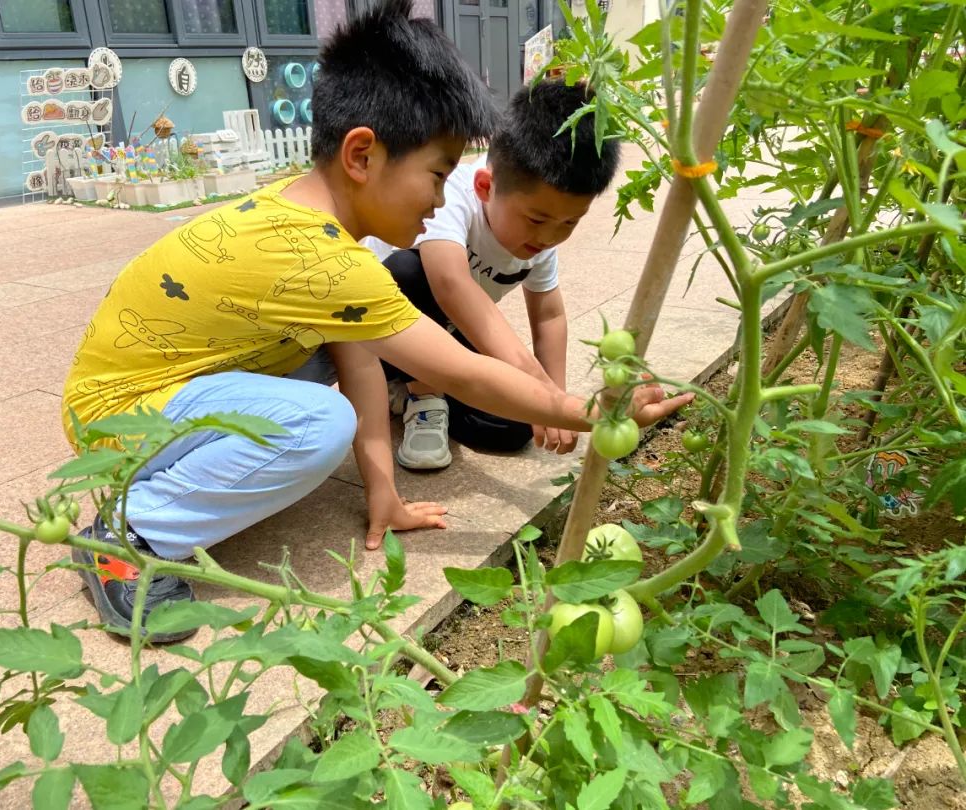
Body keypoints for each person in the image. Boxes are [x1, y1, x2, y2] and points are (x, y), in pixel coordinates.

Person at [61, 0, 691, 642]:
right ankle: (130, 534)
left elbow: (358, 360)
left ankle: (174, 483)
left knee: (332, 362)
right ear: (361, 155)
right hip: (120, 417)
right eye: (438, 174)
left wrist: (381, 490)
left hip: (150, 396)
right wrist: (590, 413)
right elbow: (464, 372)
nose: (441, 199)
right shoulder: (319, 258)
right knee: (318, 422)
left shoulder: (307, 218)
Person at [364, 79, 620, 470]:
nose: (549, 237)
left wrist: (554, 403)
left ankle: (422, 388)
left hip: (450, 332)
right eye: (536, 219)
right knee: (410, 272)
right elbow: (450, 286)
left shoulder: (542, 238)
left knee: (516, 427)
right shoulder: (452, 194)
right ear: (485, 187)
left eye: (570, 222)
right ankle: (422, 395)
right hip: (381, 333)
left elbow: (549, 315)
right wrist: (543, 392)